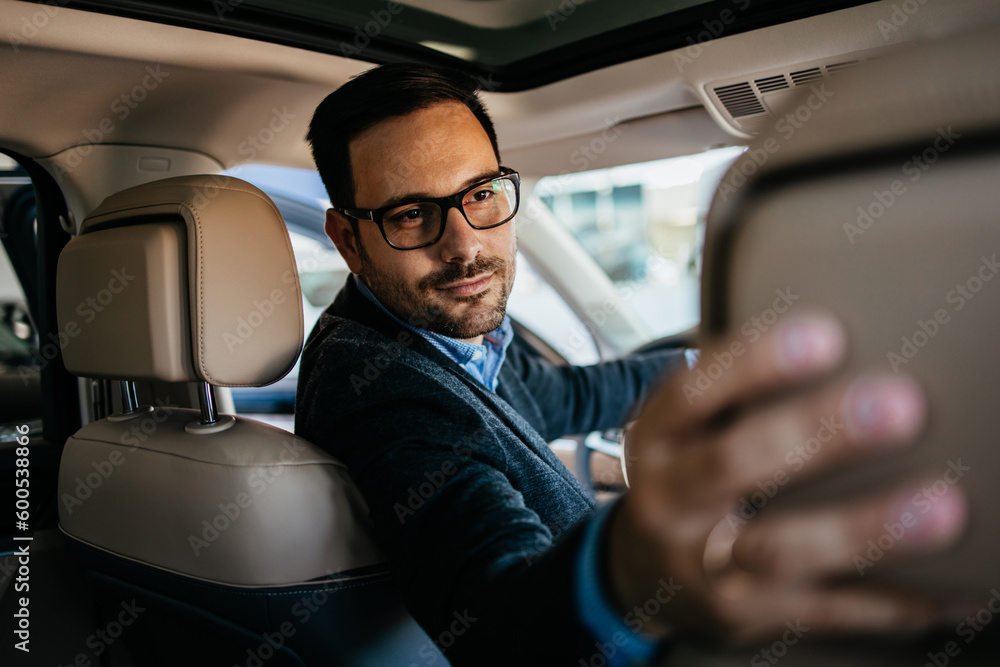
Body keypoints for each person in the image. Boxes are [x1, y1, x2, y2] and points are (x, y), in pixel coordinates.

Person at [296, 63, 968, 665]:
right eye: (412, 214)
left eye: (481, 194)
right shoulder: (377, 392)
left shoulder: (446, 337)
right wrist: (627, 572)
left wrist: (710, 367)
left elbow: (569, 396)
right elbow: (496, 621)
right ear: (349, 240)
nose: (465, 245)